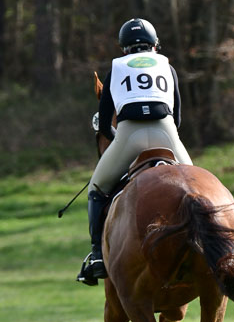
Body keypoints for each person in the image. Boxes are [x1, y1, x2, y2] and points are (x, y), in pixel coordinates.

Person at [78, 17, 192, 284]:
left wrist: (120, 142)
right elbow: (177, 119)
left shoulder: (116, 69)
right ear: (154, 45)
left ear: (124, 48)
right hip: (166, 133)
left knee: (96, 188)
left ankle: (97, 256)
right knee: (197, 186)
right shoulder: (167, 67)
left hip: (128, 134)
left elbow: (104, 124)